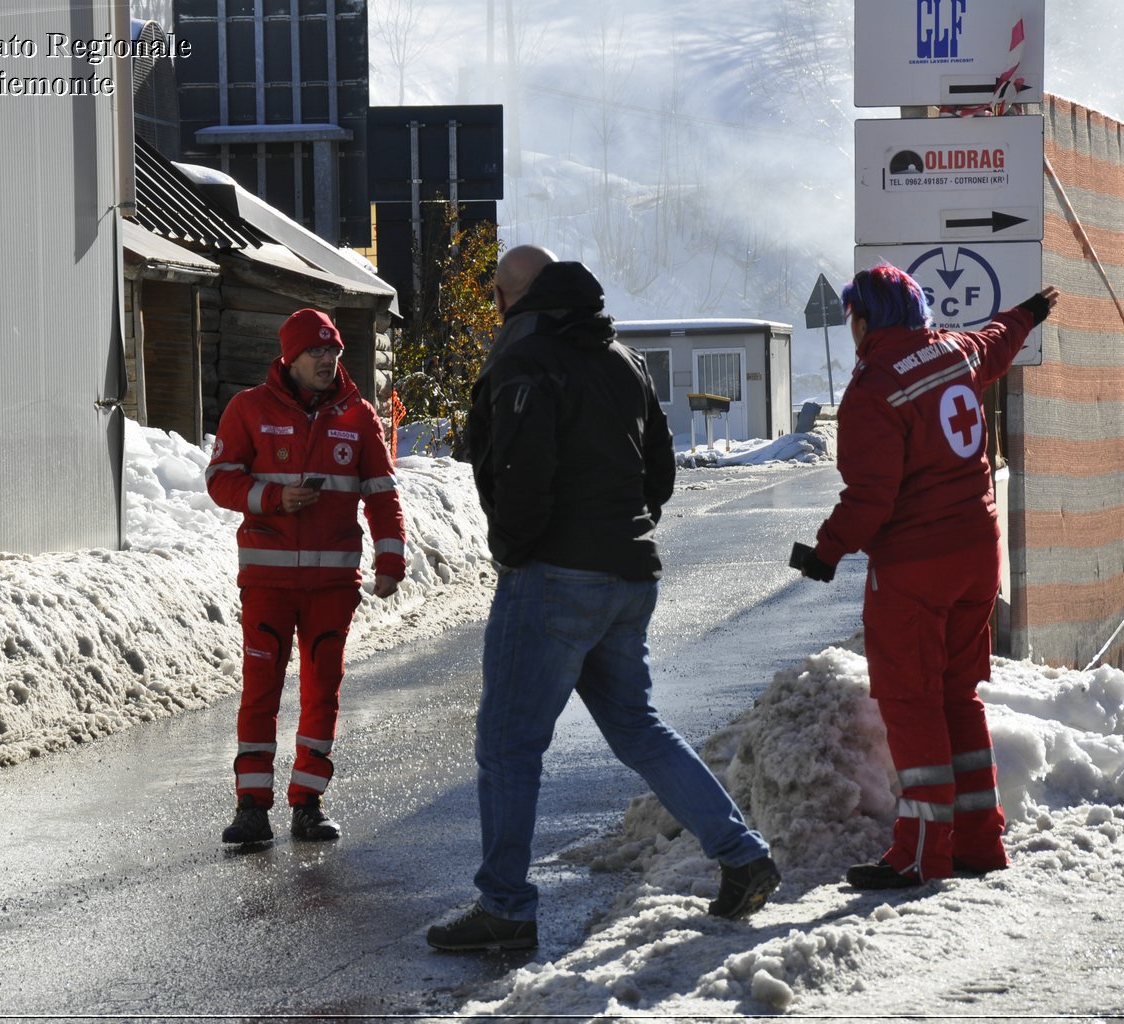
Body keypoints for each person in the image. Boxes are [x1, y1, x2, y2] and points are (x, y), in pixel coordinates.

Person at [425, 246, 780, 952]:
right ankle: (743, 854)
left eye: (496, 294)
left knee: (508, 744)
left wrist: (516, 552)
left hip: (555, 574)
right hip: (628, 569)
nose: (494, 306)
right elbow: (661, 470)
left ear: (512, 296)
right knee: (637, 726)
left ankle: (505, 907)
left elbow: (524, 475)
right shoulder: (621, 354)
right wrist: (620, 528)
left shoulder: (527, 359)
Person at [794, 264, 1058, 889]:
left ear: (864, 320)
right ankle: (979, 842)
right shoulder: (953, 352)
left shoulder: (871, 389)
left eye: (854, 316)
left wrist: (826, 553)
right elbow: (995, 339)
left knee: (913, 703)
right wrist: (1027, 313)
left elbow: (871, 498)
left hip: (916, 567)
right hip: (976, 554)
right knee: (955, 697)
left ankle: (918, 854)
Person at [205, 308, 406, 845]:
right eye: (316, 351)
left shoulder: (358, 415)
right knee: (260, 692)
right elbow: (220, 481)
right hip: (268, 584)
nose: (326, 359)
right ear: (290, 357)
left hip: (332, 588)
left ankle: (308, 805)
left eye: (333, 350)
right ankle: (251, 807)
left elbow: (383, 496)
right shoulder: (248, 409)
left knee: (323, 693)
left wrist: (391, 559)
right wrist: (274, 498)